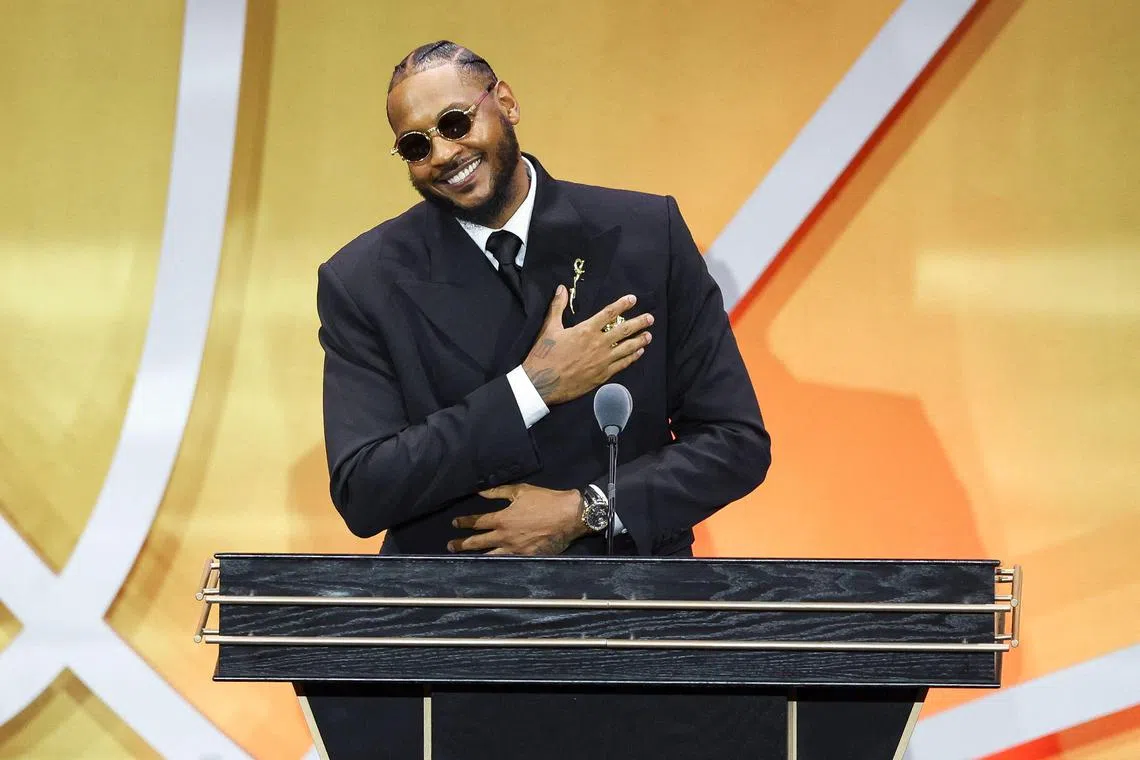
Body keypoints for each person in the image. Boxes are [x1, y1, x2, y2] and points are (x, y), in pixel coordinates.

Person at [317, 40, 771, 559]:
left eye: (456, 123)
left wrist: (588, 510)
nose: (443, 154)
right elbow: (363, 490)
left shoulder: (647, 234)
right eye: (417, 146)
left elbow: (734, 442)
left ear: (505, 103)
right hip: (453, 617)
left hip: (628, 611)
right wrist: (529, 390)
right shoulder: (362, 280)